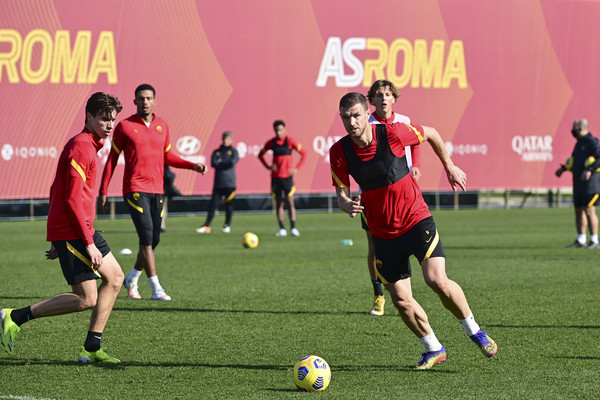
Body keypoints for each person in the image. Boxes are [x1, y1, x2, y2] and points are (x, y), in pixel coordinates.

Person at [330, 92, 497, 370]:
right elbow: (341, 194)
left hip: (415, 220)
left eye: (356, 115)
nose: (351, 122)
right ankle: (433, 348)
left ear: (366, 113)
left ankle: (475, 331)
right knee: (401, 301)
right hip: (382, 233)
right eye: (345, 117)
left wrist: (450, 166)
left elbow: (431, 133)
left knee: (437, 281)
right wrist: (346, 203)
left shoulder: (392, 133)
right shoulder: (339, 150)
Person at [1, 92, 125, 364]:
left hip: (75, 230)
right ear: (89, 116)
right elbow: (69, 198)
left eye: (112, 120)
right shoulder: (81, 146)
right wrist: (83, 241)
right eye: (104, 118)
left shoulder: (89, 144)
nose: (109, 124)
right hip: (76, 231)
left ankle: (92, 346)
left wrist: (60, 236)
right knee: (85, 298)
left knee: (115, 278)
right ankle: (14, 316)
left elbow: (56, 188)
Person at [99, 84, 207, 301]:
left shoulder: (162, 125)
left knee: (154, 239)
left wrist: (192, 165)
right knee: (147, 237)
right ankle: (156, 288)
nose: (145, 102)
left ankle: (132, 278)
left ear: (155, 101)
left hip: (157, 190)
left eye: (149, 98)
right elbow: (111, 159)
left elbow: (168, 156)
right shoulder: (125, 126)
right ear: (135, 101)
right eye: (141, 98)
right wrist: (103, 189)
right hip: (135, 189)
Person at [365, 80, 422, 316]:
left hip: (404, 194)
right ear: (372, 100)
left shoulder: (404, 122)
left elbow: (417, 141)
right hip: (374, 197)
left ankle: (405, 294)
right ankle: (379, 294)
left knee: (412, 242)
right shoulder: (365, 124)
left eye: (388, 94)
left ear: (394, 98)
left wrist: (416, 165)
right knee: (375, 248)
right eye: (379, 95)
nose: (384, 98)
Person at [555, 119, 600, 248]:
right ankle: (581, 239)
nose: (573, 130)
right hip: (578, 184)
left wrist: (589, 170)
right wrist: (563, 169)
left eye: (574, 127)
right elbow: (574, 161)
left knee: (589, 210)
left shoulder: (592, 142)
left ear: (580, 128)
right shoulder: (579, 144)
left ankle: (594, 240)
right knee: (579, 210)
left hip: (591, 185)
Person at [258, 120, 306, 236]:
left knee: (290, 203)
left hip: (287, 178)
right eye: (276, 130)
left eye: (280, 130)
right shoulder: (271, 143)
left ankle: (293, 228)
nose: (278, 132)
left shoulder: (290, 141)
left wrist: (297, 168)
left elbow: (304, 153)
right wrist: (268, 166)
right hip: (276, 178)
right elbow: (260, 154)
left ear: (284, 129)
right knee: (279, 203)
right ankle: (282, 228)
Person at [196, 131, 239, 234]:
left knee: (229, 205)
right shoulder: (217, 152)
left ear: (231, 140)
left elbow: (232, 162)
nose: (225, 141)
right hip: (218, 184)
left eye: (227, 139)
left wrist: (221, 163)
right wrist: (224, 163)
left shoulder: (234, 152)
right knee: (213, 205)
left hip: (230, 184)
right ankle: (207, 225)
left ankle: (227, 225)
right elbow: (214, 163)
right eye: (224, 138)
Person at [160, 164, 182, 232]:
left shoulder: (162, 158)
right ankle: (159, 225)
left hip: (161, 187)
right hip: (155, 186)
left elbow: (167, 173)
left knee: (162, 206)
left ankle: (160, 225)